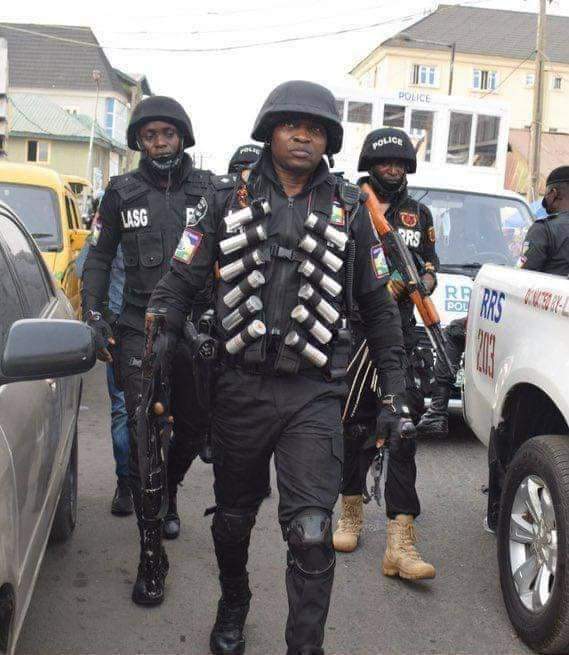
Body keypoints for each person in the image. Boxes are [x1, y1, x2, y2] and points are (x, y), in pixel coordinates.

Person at [148, 80, 409, 655]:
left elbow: (378, 307)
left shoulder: (348, 208)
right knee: (232, 521)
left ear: (329, 142)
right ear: (270, 129)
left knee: (312, 533)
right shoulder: (224, 199)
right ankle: (234, 600)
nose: (303, 136)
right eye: (293, 125)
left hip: (313, 392)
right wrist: (160, 328)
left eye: (316, 129)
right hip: (239, 386)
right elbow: (182, 275)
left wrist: (394, 392)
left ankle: (304, 646)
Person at [81, 95, 212, 606]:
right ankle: (150, 553)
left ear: (183, 137)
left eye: (168, 133)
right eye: (150, 135)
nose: (160, 142)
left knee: (196, 428)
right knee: (142, 436)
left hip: (197, 329)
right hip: (138, 326)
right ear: (138, 141)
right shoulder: (119, 192)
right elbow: (98, 257)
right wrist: (94, 316)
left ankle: (170, 492)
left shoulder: (210, 191)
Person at [333, 128, 438, 581]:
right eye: (385, 162)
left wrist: (419, 286)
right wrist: (376, 285)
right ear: (370, 165)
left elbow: (431, 267)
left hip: (404, 334)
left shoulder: (419, 214)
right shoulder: (349, 204)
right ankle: (351, 511)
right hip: (357, 333)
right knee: (354, 429)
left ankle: (401, 538)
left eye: (400, 163)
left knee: (404, 432)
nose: (393, 169)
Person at [418, 164, 569, 438]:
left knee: (454, 332)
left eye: (547, 195)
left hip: (540, 323)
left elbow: (523, 282)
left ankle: (436, 412)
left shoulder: (545, 229)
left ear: (554, 193)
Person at [76, 202, 132, 516]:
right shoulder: (109, 216)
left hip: (162, 331)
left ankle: (148, 490)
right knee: (126, 410)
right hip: (122, 333)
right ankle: (128, 484)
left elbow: (82, 266)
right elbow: (86, 265)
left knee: (160, 413)